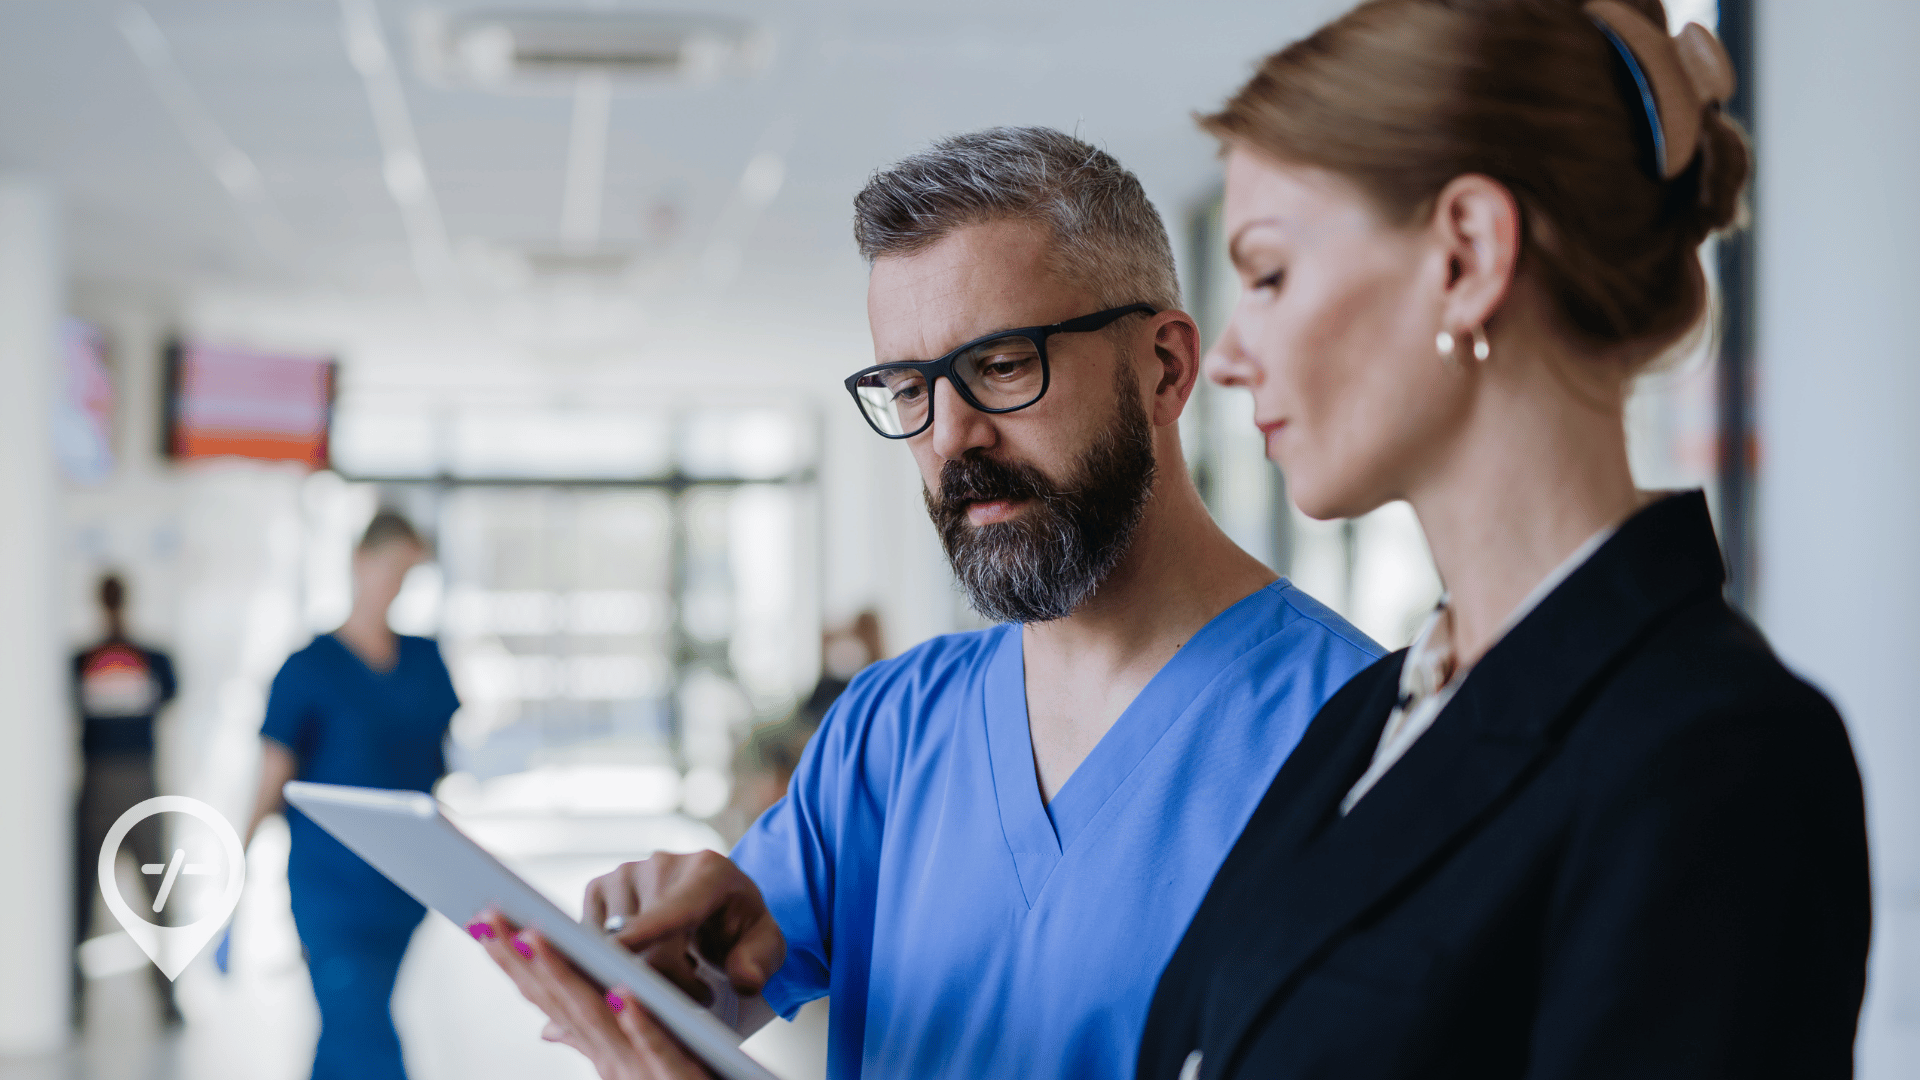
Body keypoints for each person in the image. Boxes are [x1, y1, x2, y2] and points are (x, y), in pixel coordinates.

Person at [473, 127, 1383, 1079]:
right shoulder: (889, 727)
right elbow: (727, 974)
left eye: (1000, 366)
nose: (952, 435)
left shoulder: (1361, 740)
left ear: (1164, 366)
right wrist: (673, 967)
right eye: (910, 386)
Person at [1135, 3, 1871, 1078]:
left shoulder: (1720, 756)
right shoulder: (1369, 719)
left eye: (1270, 273)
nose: (1233, 355)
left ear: (1468, 254)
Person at [244, 509, 460, 1080]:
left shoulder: (425, 660)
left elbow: (434, 777)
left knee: (349, 1023)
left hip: (404, 885)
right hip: (329, 887)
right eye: (389, 568)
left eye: (409, 573)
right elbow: (272, 778)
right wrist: (231, 865)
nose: (396, 585)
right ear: (357, 563)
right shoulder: (307, 668)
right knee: (360, 1023)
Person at [70, 572, 180, 1026]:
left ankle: (166, 999)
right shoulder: (80, 660)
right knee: (81, 895)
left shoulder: (151, 658)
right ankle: (72, 998)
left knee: (156, 891)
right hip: (101, 779)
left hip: (136, 778)